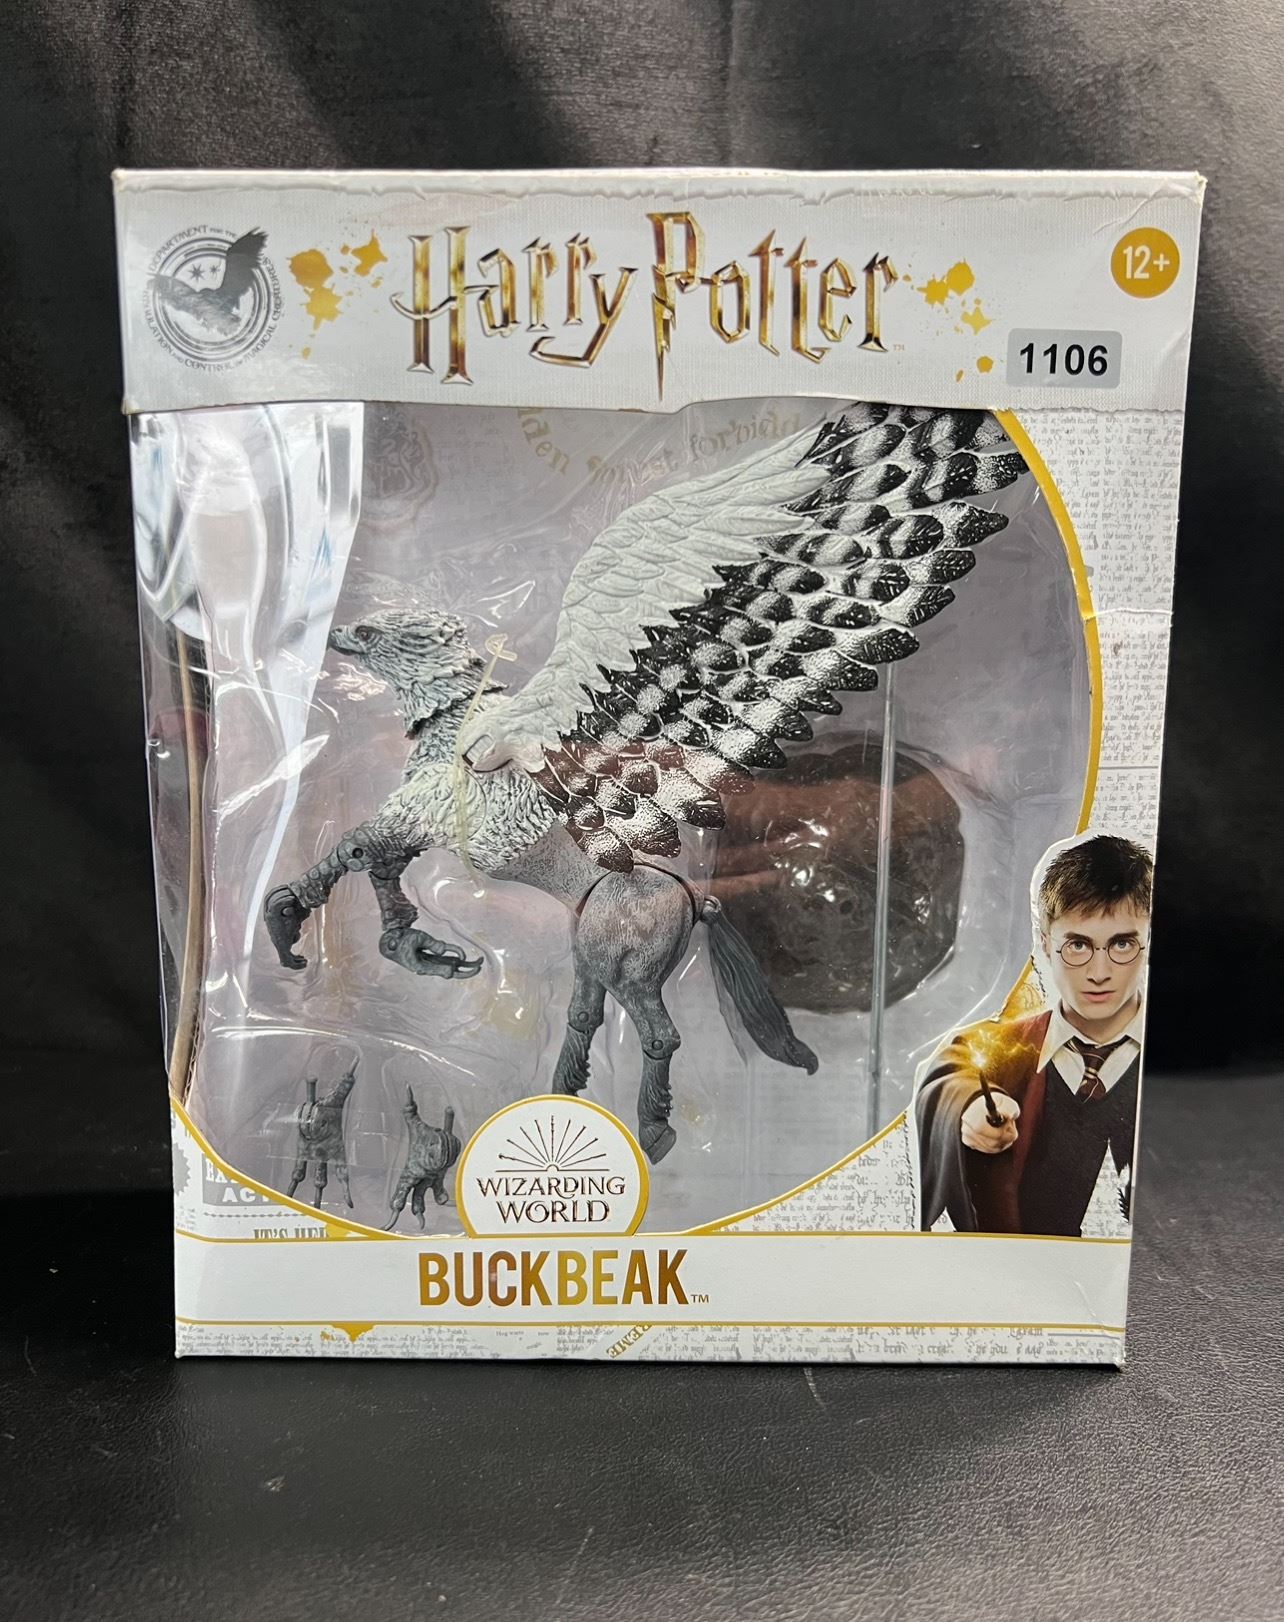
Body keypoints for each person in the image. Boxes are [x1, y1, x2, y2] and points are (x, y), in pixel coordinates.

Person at [914, 834, 1152, 1236]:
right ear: (1044, 943)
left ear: (1148, 941)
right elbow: (953, 1073)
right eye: (1078, 945)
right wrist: (969, 1108)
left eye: (1122, 943)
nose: (1099, 972)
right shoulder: (1006, 1049)